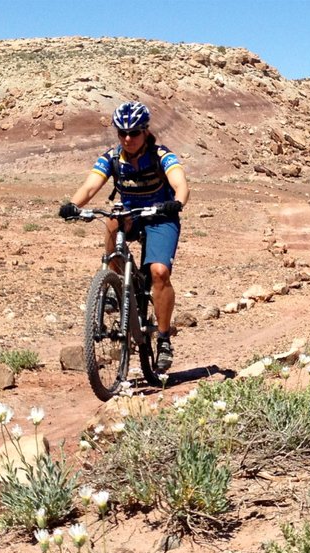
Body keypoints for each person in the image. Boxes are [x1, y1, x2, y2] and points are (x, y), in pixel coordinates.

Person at [59, 101, 189, 371]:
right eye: (122, 133)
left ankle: (163, 339)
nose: (128, 139)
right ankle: (114, 280)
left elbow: (180, 182)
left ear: (145, 132)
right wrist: (72, 205)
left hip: (160, 215)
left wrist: (176, 201)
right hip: (131, 214)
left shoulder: (160, 154)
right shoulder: (111, 158)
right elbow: (91, 185)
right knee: (110, 222)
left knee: (159, 272)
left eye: (134, 133)